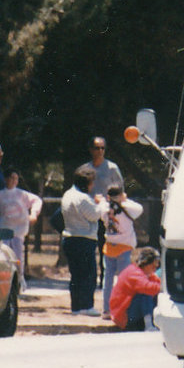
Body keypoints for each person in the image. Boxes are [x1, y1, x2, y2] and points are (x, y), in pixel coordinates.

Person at [0, 170, 43, 291]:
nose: (13, 181)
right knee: (5, 255)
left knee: (18, 256)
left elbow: (37, 200)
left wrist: (33, 214)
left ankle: (19, 281)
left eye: (15, 178)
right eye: (11, 178)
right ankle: (4, 284)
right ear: (5, 179)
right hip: (5, 229)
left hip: (19, 229)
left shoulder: (22, 194)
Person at [61, 164, 102, 314]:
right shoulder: (82, 198)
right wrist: (101, 204)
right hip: (83, 239)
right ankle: (86, 306)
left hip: (70, 238)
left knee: (76, 275)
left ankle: (76, 306)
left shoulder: (68, 194)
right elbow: (94, 215)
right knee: (88, 274)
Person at [98, 184, 144, 318]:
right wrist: (124, 200)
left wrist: (103, 200)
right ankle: (121, 310)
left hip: (109, 246)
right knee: (123, 280)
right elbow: (139, 209)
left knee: (108, 280)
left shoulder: (104, 208)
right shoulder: (129, 207)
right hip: (124, 246)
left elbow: (101, 206)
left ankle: (106, 310)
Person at [86, 135, 123, 285]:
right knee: (89, 247)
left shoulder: (112, 168)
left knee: (104, 248)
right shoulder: (85, 169)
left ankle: (104, 279)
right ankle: (90, 278)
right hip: (89, 213)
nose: (100, 151)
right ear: (91, 150)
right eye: (97, 148)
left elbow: (120, 190)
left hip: (107, 214)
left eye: (102, 148)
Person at [110, 247, 161, 332]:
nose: (155, 268)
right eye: (153, 265)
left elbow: (156, 282)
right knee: (145, 293)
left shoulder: (142, 272)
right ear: (146, 263)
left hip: (128, 311)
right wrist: (163, 288)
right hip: (123, 315)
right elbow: (147, 287)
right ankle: (148, 326)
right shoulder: (133, 273)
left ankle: (155, 322)